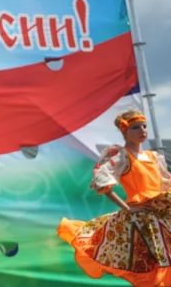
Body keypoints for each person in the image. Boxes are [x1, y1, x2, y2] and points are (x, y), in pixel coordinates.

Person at [58, 110, 171, 287]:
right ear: (125, 131)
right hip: (142, 218)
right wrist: (128, 208)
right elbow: (102, 181)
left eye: (144, 126)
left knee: (164, 258)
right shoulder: (122, 156)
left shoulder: (153, 157)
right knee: (153, 263)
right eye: (136, 127)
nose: (142, 130)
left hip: (162, 213)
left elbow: (166, 183)